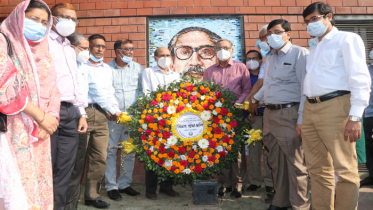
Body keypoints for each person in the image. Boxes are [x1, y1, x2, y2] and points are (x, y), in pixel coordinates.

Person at [302, 2, 371, 209]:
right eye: (307, 22)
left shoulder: (347, 39)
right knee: (317, 168)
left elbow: (360, 78)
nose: (310, 24)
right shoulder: (315, 47)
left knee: (345, 169)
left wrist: (355, 116)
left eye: (314, 19)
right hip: (310, 108)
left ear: (328, 16)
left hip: (336, 106)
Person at [0, 0, 60, 209]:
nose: (40, 26)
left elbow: (54, 90)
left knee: (38, 188)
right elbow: (4, 83)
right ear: (19, 17)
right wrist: (40, 116)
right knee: (15, 190)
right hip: (12, 130)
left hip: (40, 134)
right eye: (34, 19)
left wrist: (49, 120)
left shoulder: (44, 54)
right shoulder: (2, 41)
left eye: (45, 22)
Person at [249, 19, 310, 210]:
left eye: (277, 32)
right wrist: (253, 100)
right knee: (276, 162)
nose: (271, 37)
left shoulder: (300, 53)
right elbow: (267, 86)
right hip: (270, 114)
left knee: (296, 164)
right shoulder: (271, 58)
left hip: (290, 114)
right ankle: (280, 202)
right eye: (269, 34)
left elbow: (305, 89)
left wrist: (300, 119)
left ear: (288, 33)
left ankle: (300, 205)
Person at [66, 34, 122, 209]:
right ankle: (69, 199)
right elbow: (95, 90)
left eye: (103, 46)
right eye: (95, 46)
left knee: (99, 157)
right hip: (83, 113)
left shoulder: (106, 69)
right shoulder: (81, 65)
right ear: (88, 47)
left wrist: (115, 110)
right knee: (78, 158)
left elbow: (109, 92)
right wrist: (112, 110)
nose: (99, 49)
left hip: (101, 113)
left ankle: (92, 196)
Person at [48, 3, 88, 209]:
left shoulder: (69, 49)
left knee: (65, 168)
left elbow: (76, 83)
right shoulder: (41, 42)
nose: (69, 22)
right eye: (65, 17)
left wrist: (81, 113)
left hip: (70, 112)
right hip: (48, 112)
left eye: (73, 19)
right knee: (46, 167)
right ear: (52, 18)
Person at [203, 39, 252, 198]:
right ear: (214, 51)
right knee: (221, 150)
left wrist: (236, 105)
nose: (222, 50)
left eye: (225, 47)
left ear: (232, 50)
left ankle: (238, 184)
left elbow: (247, 90)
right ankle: (225, 183)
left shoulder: (241, 67)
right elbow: (205, 93)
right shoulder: (209, 71)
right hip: (217, 117)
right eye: (219, 48)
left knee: (237, 151)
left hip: (236, 115)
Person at [105, 39, 143, 201]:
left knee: (129, 151)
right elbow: (104, 91)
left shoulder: (138, 68)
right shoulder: (106, 69)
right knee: (111, 151)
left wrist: (138, 106)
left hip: (132, 118)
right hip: (113, 117)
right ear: (117, 51)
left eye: (132, 49)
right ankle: (111, 186)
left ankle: (124, 184)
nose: (130, 52)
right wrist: (110, 110)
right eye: (126, 49)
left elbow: (142, 91)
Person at [142, 47, 181, 200]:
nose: (165, 58)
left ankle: (167, 186)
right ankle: (151, 189)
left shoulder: (176, 75)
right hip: (154, 119)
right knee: (154, 154)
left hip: (172, 119)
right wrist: (156, 111)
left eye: (167, 55)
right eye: (162, 55)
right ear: (155, 57)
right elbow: (147, 93)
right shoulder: (148, 72)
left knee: (171, 152)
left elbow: (178, 96)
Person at [64, 32, 91, 210]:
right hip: (63, 117)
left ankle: (71, 205)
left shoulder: (84, 67)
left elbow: (81, 96)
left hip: (80, 117)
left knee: (77, 165)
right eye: (84, 49)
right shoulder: (62, 65)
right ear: (71, 47)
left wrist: (83, 115)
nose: (87, 53)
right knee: (63, 165)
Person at [244, 50, 273, 194]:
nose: (251, 61)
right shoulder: (244, 77)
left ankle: (269, 182)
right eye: (248, 59)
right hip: (253, 118)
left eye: (254, 58)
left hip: (268, 115)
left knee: (269, 151)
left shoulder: (267, 74)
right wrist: (247, 113)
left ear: (260, 60)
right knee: (254, 151)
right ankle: (254, 182)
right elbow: (244, 97)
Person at [361, 43, 373, 188]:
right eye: (371, 49)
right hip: (367, 114)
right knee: (369, 147)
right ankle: (371, 176)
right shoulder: (366, 70)